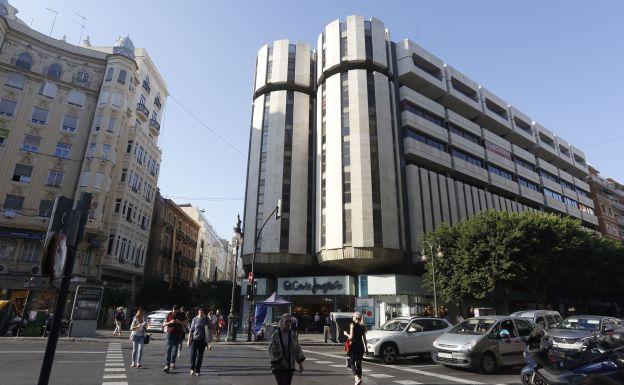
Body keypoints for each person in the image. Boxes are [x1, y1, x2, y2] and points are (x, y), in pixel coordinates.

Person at [269, 313, 305, 385]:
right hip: (278, 366)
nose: (288, 323)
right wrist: (281, 360)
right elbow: (272, 350)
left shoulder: (292, 334)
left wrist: (300, 363)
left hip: (289, 366)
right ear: (282, 322)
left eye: (290, 321)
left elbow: (297, 348)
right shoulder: (276, 334)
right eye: (286, 321)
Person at [343, 312, 367, 385]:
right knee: (359, 364)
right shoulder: (362, 326)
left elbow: (351, 337)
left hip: (354, 346)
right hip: (361, 346)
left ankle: (356, 377)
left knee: (351, 362)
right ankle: (358, 380)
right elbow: (364, 339)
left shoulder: (352, 324)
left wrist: (345, 333)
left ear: (356, 318)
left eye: (353, 316)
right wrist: (367, 349)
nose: (352, 318)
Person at [163, 305, 187, 373]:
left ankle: (172, 362)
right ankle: (167, 365)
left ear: (178, 310)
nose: (175, 311)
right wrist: (170, 322)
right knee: (169, 349)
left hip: (178, 334)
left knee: (175, 349)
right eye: (174, 310)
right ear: (172, 310)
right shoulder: (169, 314)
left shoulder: (182, 314)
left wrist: (179, 322)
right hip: (169, 334)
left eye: (176, 310)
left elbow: (185, 323)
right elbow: (164, 324)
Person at [187, 308, 210, 376]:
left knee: (200, 356)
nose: (201, 312)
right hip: (194, 339)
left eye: (202, 311)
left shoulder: (206, 319)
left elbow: (208, 331)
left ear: (203, 312)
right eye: (199, 311)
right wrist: (189, 340)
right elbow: (191, 330)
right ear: (198, 312)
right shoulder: (194, 319)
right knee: (192, 355)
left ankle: (198, 370)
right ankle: (192, 369)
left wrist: (208, 343)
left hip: (202, 340)